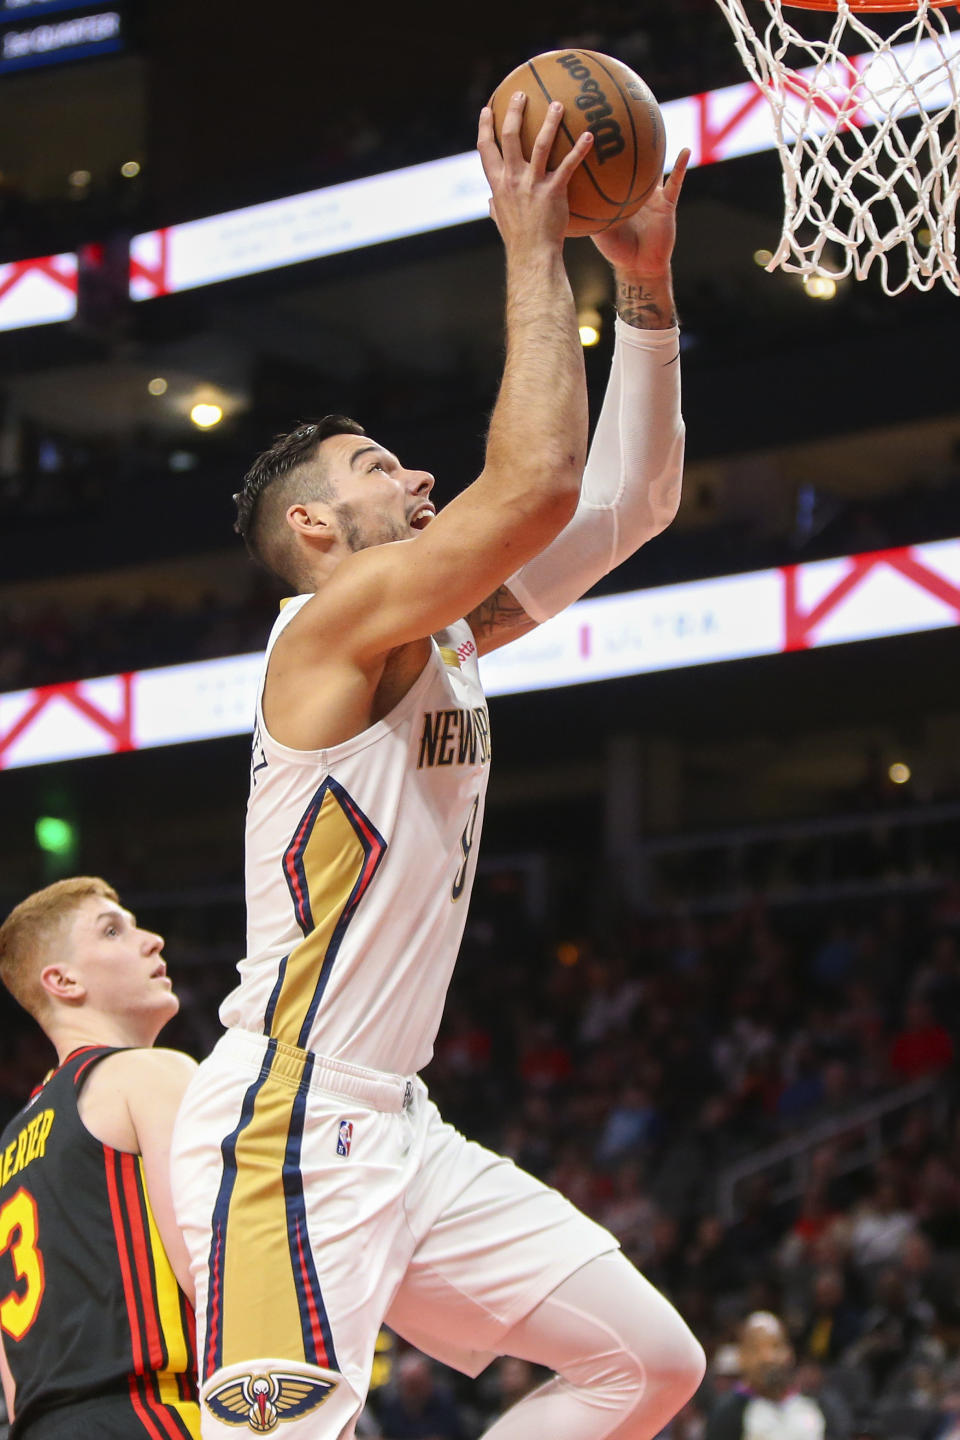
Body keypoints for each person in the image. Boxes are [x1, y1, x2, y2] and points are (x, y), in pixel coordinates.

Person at [171, 93, 703, 1439]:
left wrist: (642, 294)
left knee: (647, 1366)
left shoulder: (446, 629)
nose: (409, 471)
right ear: (314, 526)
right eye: (371, 466)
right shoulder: (334, 627)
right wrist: (533, 243)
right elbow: (529, 488)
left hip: (393, 1123)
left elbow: (624, 506)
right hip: (284, 1130)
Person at [0, 877, 200, 1439]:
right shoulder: (149, 1072)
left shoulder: (8, 1149)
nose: (153, 941)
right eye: (113, 929)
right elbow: (212, 1267)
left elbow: (13, 1383)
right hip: (151, 1414)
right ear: (62, 981)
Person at [706, 1313, 834, 1440]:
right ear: (741, 1357)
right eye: (755, 1349)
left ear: (790, 1353)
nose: (767, 1358)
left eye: (775, 1346)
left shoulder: (817, 1405)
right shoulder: (726, 1414)